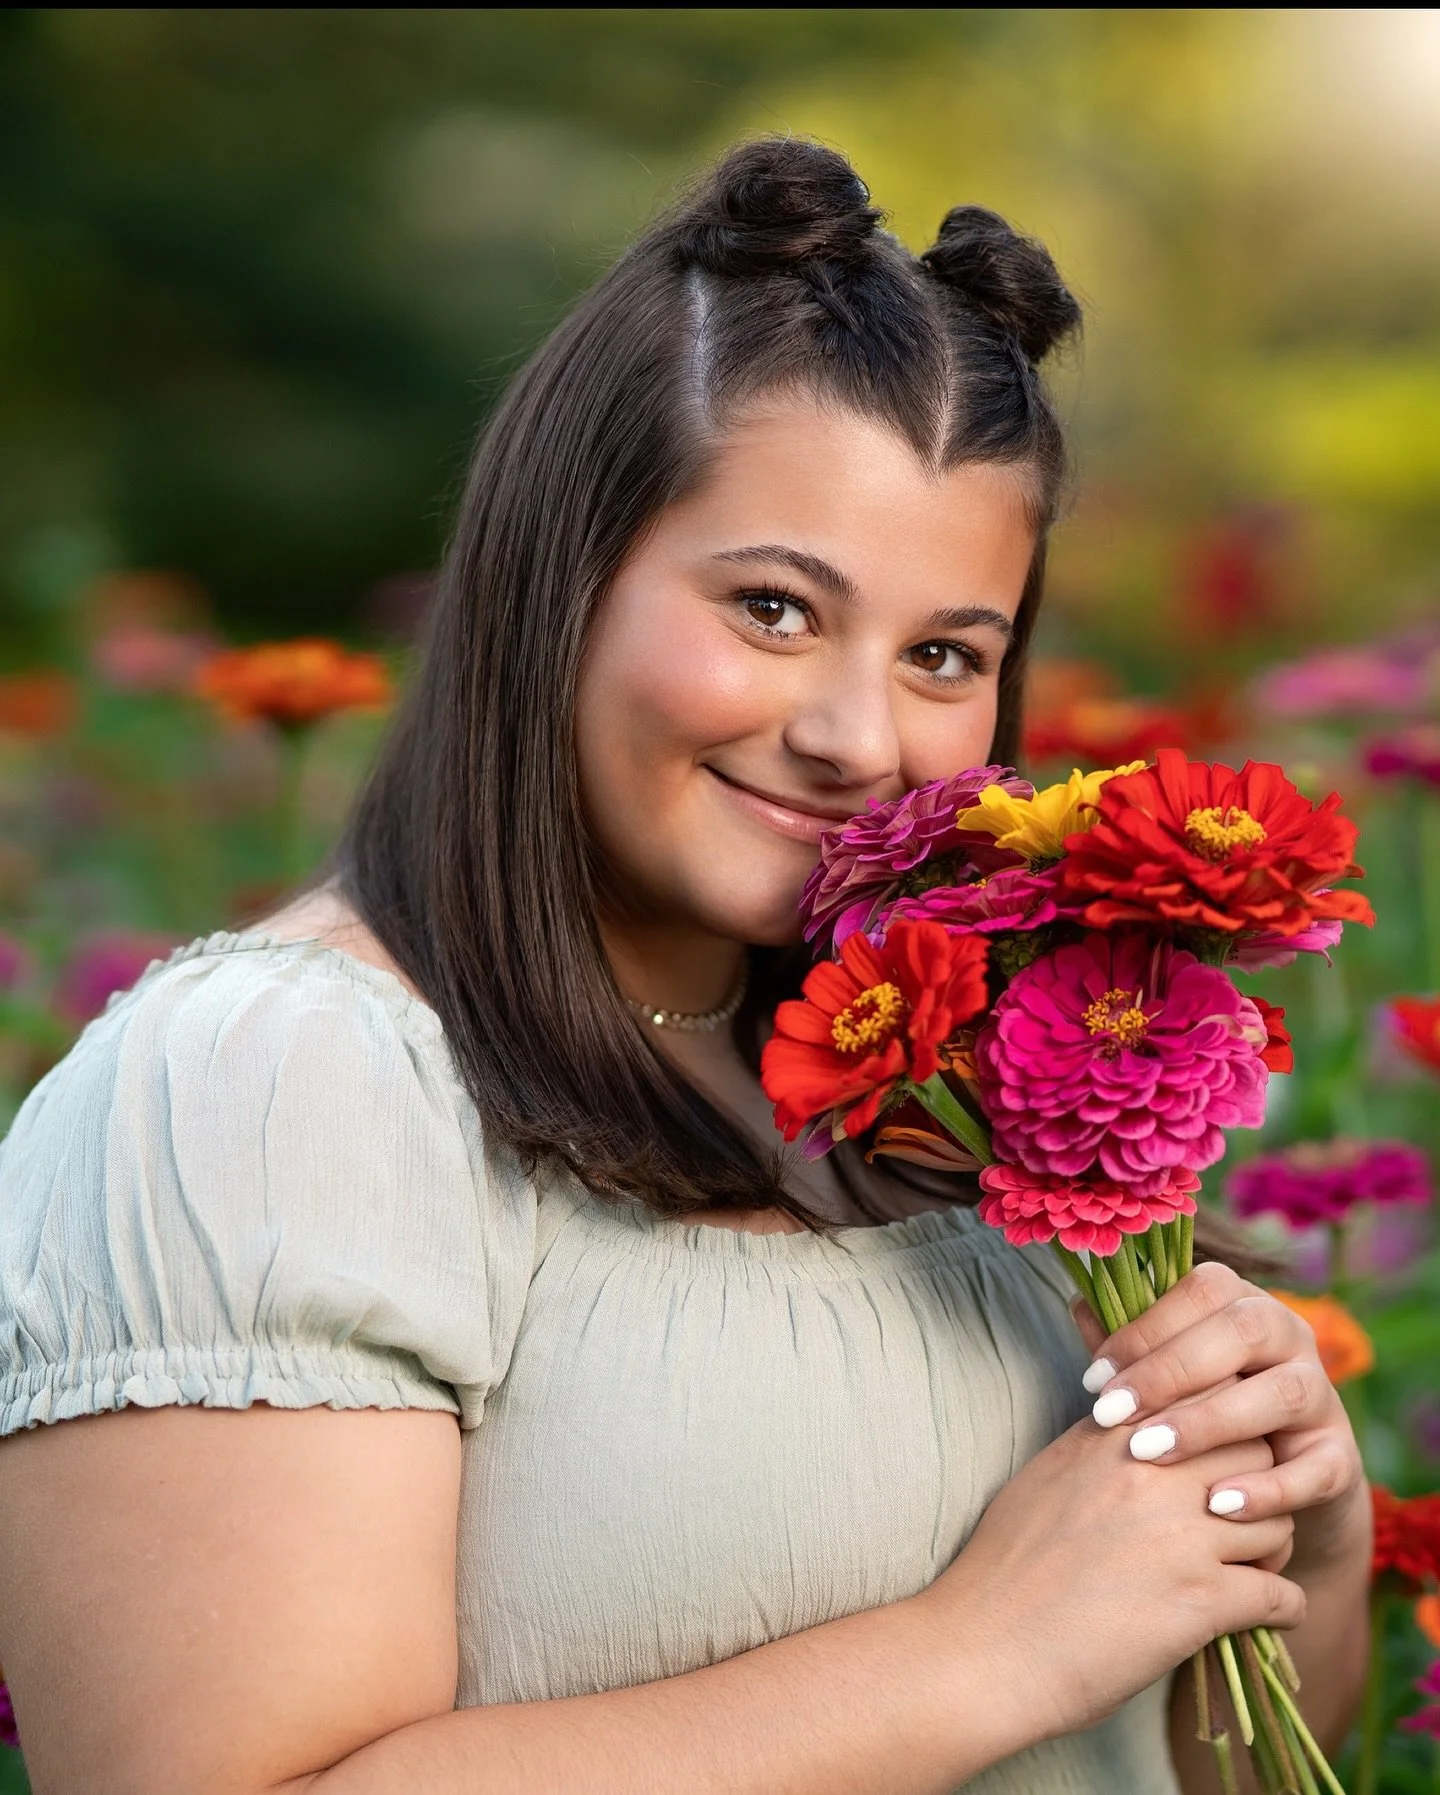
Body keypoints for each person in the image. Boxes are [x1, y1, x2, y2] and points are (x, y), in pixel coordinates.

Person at [0, 139, 1369, 1794]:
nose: (861, 735)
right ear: (559, 575)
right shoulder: (278, 1084)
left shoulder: (968, 1090)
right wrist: (980, 1648)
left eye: (945, 654)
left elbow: (1203, 1766)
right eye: (777, 609)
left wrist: (1305, 1534)